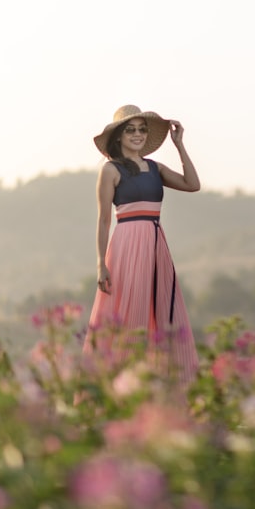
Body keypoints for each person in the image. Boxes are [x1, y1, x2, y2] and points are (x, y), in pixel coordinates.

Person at [82, 104, 200, 384]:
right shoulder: (110, 170)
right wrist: (101, 264)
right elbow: (103, 220)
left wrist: (179, 145)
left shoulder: (155, 168)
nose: (137, 134)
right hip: (126, 244)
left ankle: (167, 384)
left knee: (161, 312)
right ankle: (121, 382)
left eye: (142, 129)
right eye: (130, 130)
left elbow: (192, 184)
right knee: (129, 313)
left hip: (156, 243)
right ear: (119, 136)